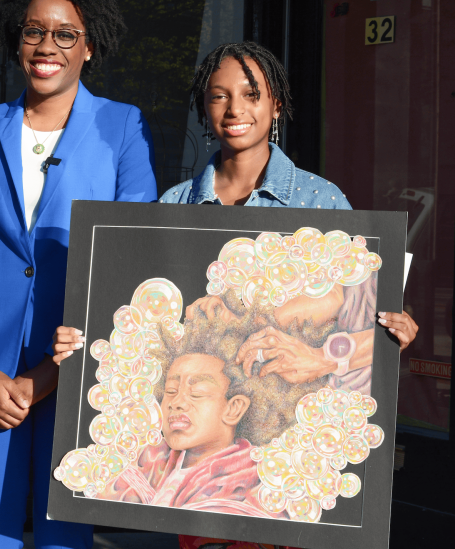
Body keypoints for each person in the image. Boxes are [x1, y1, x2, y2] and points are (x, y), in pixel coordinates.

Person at [154, 41, 418, 549]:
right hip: (205, 475)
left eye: (252, 94)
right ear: (204, 108)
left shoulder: (320, 200)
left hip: (294, 458)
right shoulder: (173, 204)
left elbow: (369, 315)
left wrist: (390, 330)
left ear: (277, 105)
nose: (235, 110)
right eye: (218, 96)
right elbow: (152, 333)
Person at [0, 0, 157, 549]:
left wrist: (53, 374)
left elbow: (134, 254)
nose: (46, 46)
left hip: (81, 367)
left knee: (67, 540)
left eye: (65, 34)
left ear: (89, 46)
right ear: (17, 39)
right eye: (34, 31)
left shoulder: (122, 127)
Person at [98, 289, 332, 514]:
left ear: (234, 408)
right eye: (170, 390)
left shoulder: (246, 486)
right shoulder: (155, 458)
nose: (176, 402)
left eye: (197, 392)